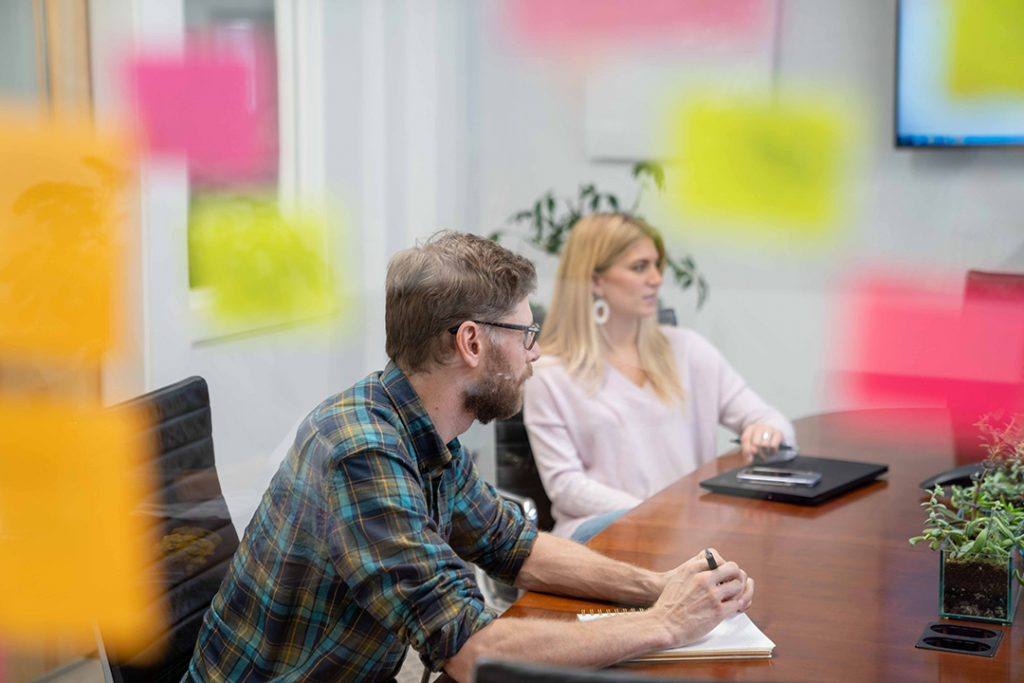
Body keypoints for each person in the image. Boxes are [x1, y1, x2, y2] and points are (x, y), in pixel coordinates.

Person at [186, 231, 755, 682]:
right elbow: (471, 652)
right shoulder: (363, 453)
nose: (536, 354)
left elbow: (514, 546)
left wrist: (655, 586)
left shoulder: (420, 428)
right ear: (472, 342)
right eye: (527, 334)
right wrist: (664, 624)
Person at [524, 214, 796, 542]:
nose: (655, 279)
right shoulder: (549, 374)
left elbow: (772, 421)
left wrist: (766, 433)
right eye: (639, 267)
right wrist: (659, 514)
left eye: (657, 266)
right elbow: (567, 488)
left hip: (688, 535)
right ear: (595, 280)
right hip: (604, 533)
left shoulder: (688, 350)